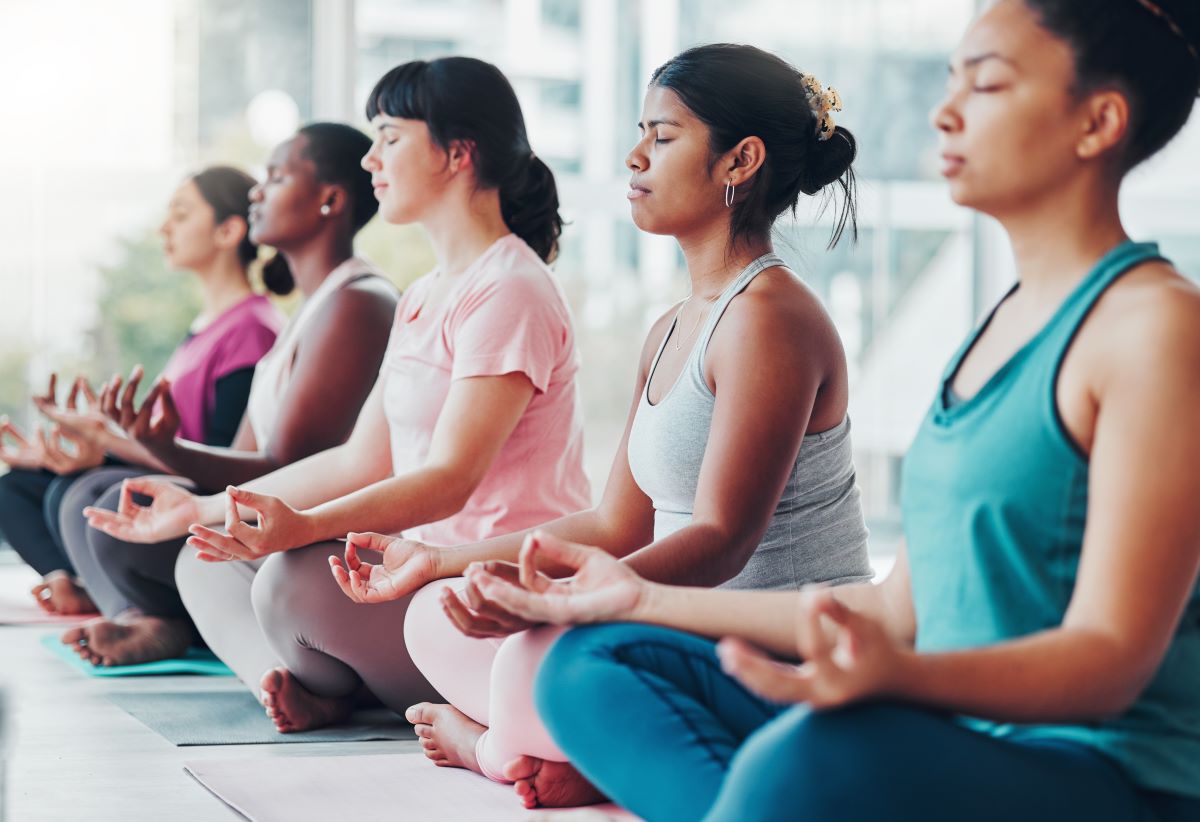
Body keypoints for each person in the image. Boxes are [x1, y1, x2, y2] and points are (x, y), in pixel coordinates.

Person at [462, 2, 1200, 820]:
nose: (944, 110)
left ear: (1098, 122)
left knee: (812, 759)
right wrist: (627, 598)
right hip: (948, 728)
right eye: (952, 79)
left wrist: (898, 680)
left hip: (1100, 771)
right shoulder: (999, 328)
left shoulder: (1155, 328)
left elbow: (1112, 661)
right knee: (587, 662)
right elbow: (895, 610)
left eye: (986, 85)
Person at [330, 43, 871, 809]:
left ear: (739, 161)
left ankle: (499, 748)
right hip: (690, 631)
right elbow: (618, 521)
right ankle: (576, 751)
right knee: (435, 618)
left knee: (538, 665)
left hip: (779, 650)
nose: (634, 155)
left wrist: (563, 603)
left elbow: (721, 542)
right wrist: (440, 560)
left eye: (663, 135)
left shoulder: (771, 318)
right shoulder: (673, 326)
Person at [85, 58, 591, 734]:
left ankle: (377, 690)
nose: (372, 158)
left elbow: (450, 481)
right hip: (417, 573)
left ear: (457, 154)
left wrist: (305, 528)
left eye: (389, 136)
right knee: (206, 560)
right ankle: (310, 687)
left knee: (295, 578)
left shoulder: (510, 289)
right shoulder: (424, 294)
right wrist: (202, 508)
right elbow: (361, 459)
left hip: (484, 581)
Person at [60, 122, 398, 666]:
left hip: (312, 533)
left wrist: (165, 450)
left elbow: (281, 470)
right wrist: (157, 445)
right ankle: (159, 620)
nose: (258, 192)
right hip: (267, 512)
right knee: (109, 508)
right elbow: (245, 464)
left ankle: (170, 624)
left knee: (109, 514)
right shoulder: (308, 312)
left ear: (330, 199)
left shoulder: (357, 303)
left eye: (278, 176)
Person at [0, 165, 284, 615]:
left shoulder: (251, 330)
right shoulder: (203, 329)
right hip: (170, 468)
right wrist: (91, 445)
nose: (164, 228)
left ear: (228, 230)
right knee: (17, 487)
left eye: (182, 214)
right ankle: (69, 582)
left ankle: (120, 604)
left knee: (80, 493)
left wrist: (107, 445)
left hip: (197, 489)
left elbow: (218, 458)